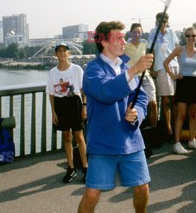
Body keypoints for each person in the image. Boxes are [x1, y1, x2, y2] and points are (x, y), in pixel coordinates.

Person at [78, 21, 153, 213]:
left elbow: (141, 98)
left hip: (131, 140)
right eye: (118, 38)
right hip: (103, 142)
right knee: (92, 195)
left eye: (123, 38)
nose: (123, 41)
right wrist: (134, 69)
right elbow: (105, 92)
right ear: (103, 42)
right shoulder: (92, 70)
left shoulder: (125, 66)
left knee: (142, 188)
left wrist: (137, 113)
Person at [46, 43, 88, 183]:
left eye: (65, 51)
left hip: (74, 102)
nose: (62, 53)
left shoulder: (76, 69)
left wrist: (84, 106)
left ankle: (86, 168)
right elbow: (51, 94)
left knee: (79, 136)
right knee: (66, 136)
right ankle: (71, 168)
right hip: (60, 104)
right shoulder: (52, 72)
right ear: (56, 55)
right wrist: (53, 112)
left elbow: (83, 90)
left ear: (69, 53)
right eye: (59, 51)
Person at [163, 27, 196, 154]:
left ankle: (192, 140)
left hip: (194, 83)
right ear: (184, 37)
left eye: (193, 35)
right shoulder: (179, 49)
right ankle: (177, 143)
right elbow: (166, 62)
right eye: (188, 36)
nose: (191, 38)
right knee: (181, 114)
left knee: (193, 114)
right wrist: (173, 75)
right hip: (182, 83)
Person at [148, 12, 179, 141]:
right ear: (156, 21)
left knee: (175, 100)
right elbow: (150, 51)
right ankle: (169, 130)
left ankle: (176, 127)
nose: (162, 23)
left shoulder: (171, 32)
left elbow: (177, 48)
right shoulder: (153, 32)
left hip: (174, 66)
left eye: (165, 21)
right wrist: (151, 68)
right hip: (160, 68)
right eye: (160, 21)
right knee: (165, 101)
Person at [125, 23, 158, 127]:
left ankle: (153, 129)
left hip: (145, 76)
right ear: (131, 33)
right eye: (134, 32)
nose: (137, 34)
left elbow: (153, 53)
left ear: (142, 33)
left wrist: (151, 69)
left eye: (139, 32)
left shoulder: (145, 44)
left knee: (153, 104)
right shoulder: (125, 46)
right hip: (133, 78)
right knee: (134, 106)